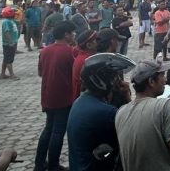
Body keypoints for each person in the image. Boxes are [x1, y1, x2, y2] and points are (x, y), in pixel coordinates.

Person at [115, 59, 170, 171]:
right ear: (151, 81)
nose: (165, 79)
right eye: (162, 75)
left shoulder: (121, 112)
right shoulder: (165, 105)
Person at [67, 53, 134, 171]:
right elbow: (133, 129)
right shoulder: (106, 112)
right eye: (114, 77)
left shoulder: (81, 101)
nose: (119, 81)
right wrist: (127, 96)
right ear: (102, 80)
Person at [35, 21, 77, 171]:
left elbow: (40, 73)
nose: (74, 35)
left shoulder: (44, 51)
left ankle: (39, 164)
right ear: (66, 34)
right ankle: (53, 165)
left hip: (48, 95)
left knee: (48, 129)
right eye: (72, 32)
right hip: (63, 97)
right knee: (58, 132)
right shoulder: (71, 52)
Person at [71, 30, 99, 101]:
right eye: (96, 40)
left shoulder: (83, 56)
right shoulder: (87, 61)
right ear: (89, 45)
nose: (99, 42)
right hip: (85, 99)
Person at [0, 7, 19, 80]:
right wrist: (10, 41)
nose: (14, 13)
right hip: (8, 44)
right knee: (9, 60)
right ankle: (12, 75)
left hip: (11, 43)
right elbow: (6, 32)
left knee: (6, 59)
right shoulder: (6, 22)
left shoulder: (10, 20)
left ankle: (2, 74)